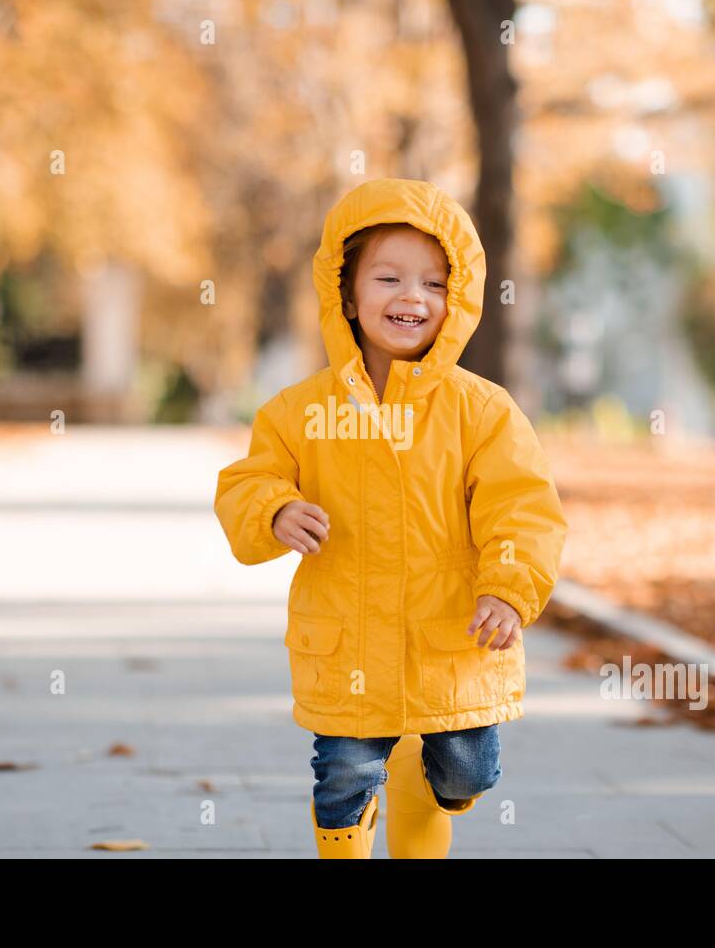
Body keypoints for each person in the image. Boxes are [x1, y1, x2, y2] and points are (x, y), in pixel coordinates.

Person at [213, 177, 568, 858]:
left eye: (435, 284)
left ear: (457, 300)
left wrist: (508, 587)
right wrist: (276, 509)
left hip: (451, 643)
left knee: (463, 770)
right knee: (345, 772)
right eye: (389, 278)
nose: (412, 297)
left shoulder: (481, 410)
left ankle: (433, 780)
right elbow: (246, 481)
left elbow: (521, 507)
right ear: (345, 293)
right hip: (346, 644)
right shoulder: (298, 410)